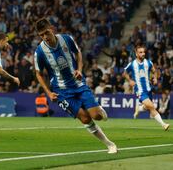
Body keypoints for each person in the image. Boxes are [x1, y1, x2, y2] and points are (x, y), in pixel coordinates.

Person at [34, 18, 117, 154]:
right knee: (85, 118)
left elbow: (78, 53)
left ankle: (99, 109)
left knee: (96, 116)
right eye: (41, 35)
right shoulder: (40, 52)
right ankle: (109, 144)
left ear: (52, 29)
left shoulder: (66, 39)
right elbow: (38, 74)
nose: (45, 37)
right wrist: (48, 92)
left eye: (46, 33)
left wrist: (79, 69)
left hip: (78, 84)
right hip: (61, 91)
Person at [123, 44, 170, 130]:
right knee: (151, 106)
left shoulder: (148, 62)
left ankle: (139, 108)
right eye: (140, 52)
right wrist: (130, 81)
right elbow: (124, 73)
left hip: (149, 89)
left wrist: (155, 78)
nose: (143, 54)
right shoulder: (132, 64)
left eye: (143, 52)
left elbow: (154, 71)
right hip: (139, 90)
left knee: (147, 107)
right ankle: (164, 124)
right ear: (136, 54)